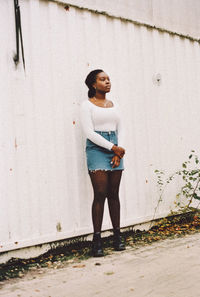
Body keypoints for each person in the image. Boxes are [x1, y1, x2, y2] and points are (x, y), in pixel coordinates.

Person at [80, 69, 126, 257]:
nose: (107, 82)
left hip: (115, 148)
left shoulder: (114, 105)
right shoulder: (87, 105)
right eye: (102, 79)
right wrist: (112, 148)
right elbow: (89, 132)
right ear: (93, 84)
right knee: (100, 193)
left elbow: (121, 128)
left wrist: (119, 151)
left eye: (108, 79)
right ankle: (97, 240)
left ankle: (117, 236)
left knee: (114, 194)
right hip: (97, 148)